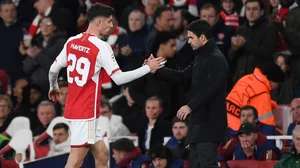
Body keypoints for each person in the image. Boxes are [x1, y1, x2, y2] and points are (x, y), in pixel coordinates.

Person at [48, 3, 165, 168]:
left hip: (75, 107)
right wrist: (148, 68)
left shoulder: (72, 41)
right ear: (99, 22)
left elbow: (53, 69)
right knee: (75, 160)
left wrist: (53, 87)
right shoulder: (101, 47)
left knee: (102, 155)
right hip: (86, 111)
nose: (112, 25)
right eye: (109, 21)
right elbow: (119, 79)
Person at [152, 19, 228, 168]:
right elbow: (182, 76)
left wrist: (190, 106)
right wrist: (157, 70)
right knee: (195, 164)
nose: (188, 42)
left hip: (210, 124)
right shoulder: (201, 57)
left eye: (191, 37)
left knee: (207, 165)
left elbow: (212, 88)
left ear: (203, 38)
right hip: (197, 124)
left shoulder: (216, 59)